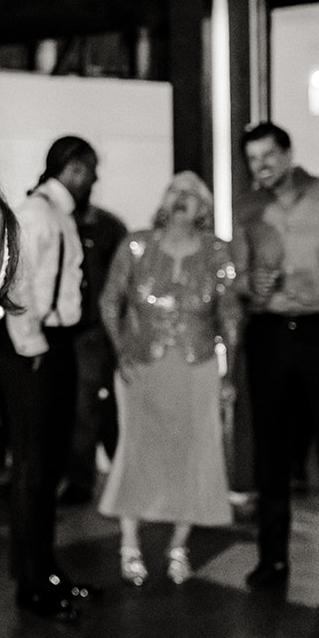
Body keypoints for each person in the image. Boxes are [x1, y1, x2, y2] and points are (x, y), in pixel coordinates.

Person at [234, 121, 319, 598]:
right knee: (270, 451)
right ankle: (272, 558)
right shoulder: (249, 208)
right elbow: (238, 275)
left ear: (288, 153)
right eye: (252, 160)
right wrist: (252, 286)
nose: (261, 167)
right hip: (269, 334)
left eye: (267, 156)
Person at [96, 172, 238, 586]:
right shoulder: (136, 245)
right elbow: (110, 300)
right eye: (175, 191)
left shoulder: (217, 252)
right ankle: (129, 543)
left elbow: (230, 315)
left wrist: (229, 371)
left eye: (192, 195)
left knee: (195, 452)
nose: (182, 199)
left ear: (204, 209)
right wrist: (121, 347)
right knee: (138, 448)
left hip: (198, 366)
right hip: (142, 363)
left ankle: (179, 545)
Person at [0, 136, 99, 620]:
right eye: (90, 169)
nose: (94, 179)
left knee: (43, 466)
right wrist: (32, 347)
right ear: (72, 169)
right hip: (34, 351)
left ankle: (41, 572)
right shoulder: (38, 214)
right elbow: (18, 283)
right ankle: (35, 579)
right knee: (34, 467)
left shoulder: (56, 212)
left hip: (50, 347)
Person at [61, 197, 127, 505]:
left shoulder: (109, 228)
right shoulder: (56, 219)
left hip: (97, 328)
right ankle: (88, 477)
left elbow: (122, 281)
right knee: (83, 406)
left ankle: (98, 478)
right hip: (66, 328)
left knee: (96, 405)